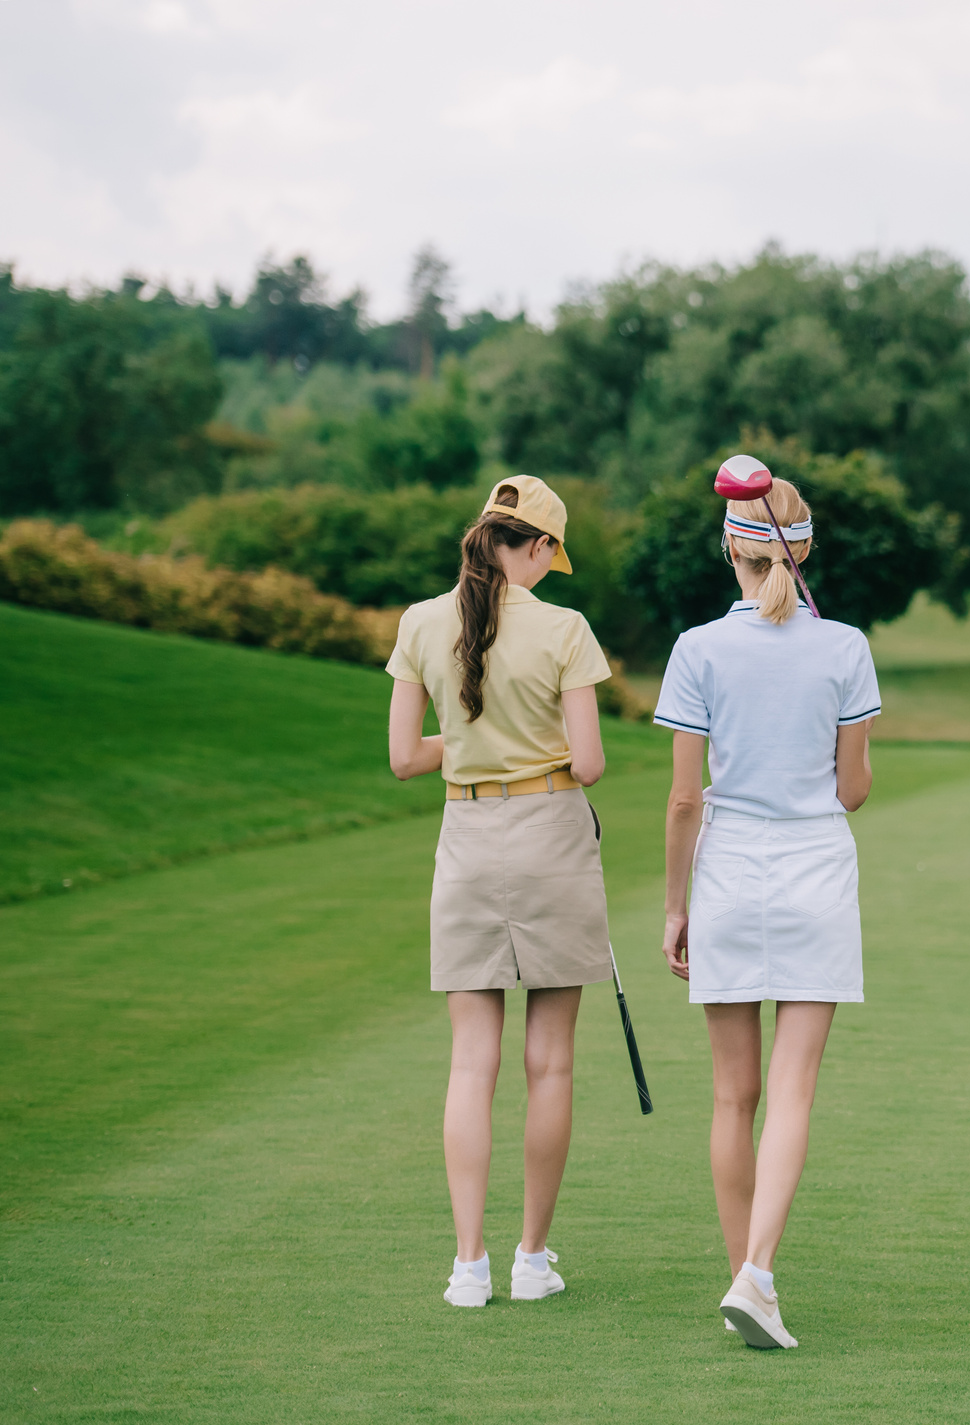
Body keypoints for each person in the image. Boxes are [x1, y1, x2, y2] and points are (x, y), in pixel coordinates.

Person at [653, 463, 880, 1350]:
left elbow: (683, 801)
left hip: (728, 873)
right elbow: (853, 789)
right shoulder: (846, 645)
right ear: (806, 548)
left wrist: (674, 906)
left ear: (730, 551)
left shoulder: (696, 646)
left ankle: (747, 1273)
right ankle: (758, 1274)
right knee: (789, 1090)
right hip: (815, 871)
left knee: (730, 1095)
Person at [385, 475, 613, 1310]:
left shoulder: (419, 620)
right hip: (550, 833)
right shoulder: (565, 628)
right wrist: (532, 738)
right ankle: (531, 1258)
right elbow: (588, 763)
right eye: (551, 553)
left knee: (470, 1063)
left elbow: (407, 757)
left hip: (467, 840)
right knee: (548, 1063)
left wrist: (474, 735)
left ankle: (467, 1266)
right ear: (540, 545)